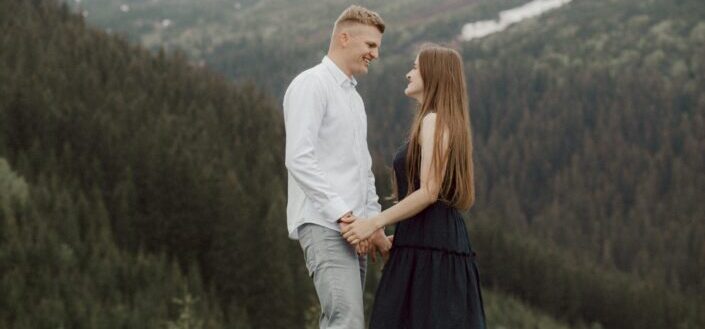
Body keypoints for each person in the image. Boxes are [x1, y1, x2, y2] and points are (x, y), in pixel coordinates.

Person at [342, 44, 487, 329]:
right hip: (428, 240)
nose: (409, 74)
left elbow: (429, 191)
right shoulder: (442, 121)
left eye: (415, 67)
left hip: (431, 246)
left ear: (432, 75)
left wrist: (373, 223)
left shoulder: (433, 121)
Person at [282, 5, 391, 329]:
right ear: (344, 38)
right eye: (370, 45)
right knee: (346, 320)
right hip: (324, 224)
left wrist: (375, 229)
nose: (375, 54)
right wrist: (345, 216)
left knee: (345, 320)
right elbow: (298, 158)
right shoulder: (311, 84)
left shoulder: (353, 99)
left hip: (354, 231)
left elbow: (362, 171)